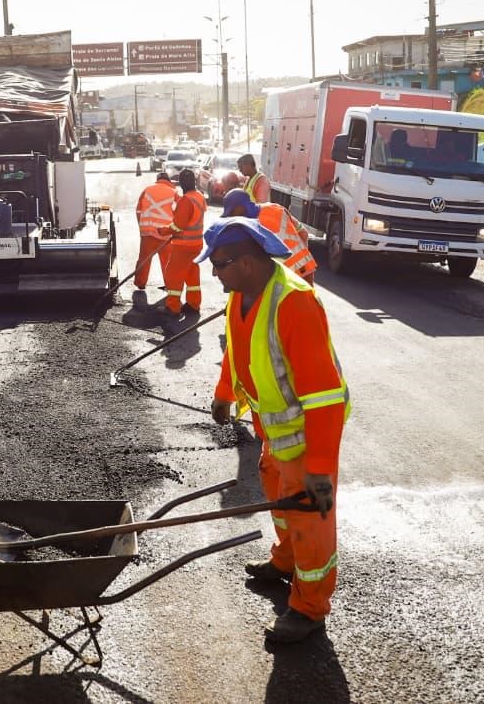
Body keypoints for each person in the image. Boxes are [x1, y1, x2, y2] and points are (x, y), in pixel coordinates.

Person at [202, 216, 349, 643]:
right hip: (273, 429)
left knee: (310, 521)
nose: (213, 273)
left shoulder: (295, 303)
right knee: (281, 505)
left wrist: (319, 466)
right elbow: (239, 346)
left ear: (246, 262)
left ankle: (309, 607)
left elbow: (324, 395)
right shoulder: (244, 293)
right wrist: (225, 391)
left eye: (220, 264)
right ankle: (285, 561)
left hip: (307, 439)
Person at [223, 189, 317, 283]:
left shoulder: (251, 227)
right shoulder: (276, 208)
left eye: (231, 213)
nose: (231, 218)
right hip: (306, 270)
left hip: (286, 279)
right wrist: (302, 260)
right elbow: (304, 233)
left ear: (240, 208)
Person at [159, 168, 207, 316]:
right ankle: (193, 304)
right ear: (194, 181)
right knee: (192, 274)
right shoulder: (199, 196)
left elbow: (178, 226)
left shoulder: (186, 200)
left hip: (183, 246)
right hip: (196, 244)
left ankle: (173, 307)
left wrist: (164, 230)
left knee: (173, 274)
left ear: (180, 183)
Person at [134, 172, 177, 290]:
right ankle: (170, 284)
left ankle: (140, 283)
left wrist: (142, 227)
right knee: (168, 261)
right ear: (168, 181)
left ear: (157, 180)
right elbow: (179, 212)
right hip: (166, 235)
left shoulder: (147, 190)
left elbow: (138, 210)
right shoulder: (174, 193)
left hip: (148, 233)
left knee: (144, 260)